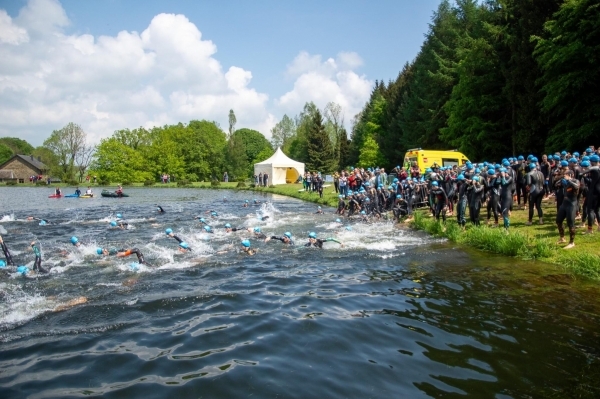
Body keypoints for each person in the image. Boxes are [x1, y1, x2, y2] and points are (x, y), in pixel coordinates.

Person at [555, 169, 580, 249]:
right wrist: (559, 181)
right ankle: (562, 238)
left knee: (570, 224)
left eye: (566, 174)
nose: (564, 175)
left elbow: (576, 187)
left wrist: (569, 181)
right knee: (558, 221)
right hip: (564, 204)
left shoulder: (576, 181)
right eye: (564, 174)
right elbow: (555, 185)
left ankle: (571, 242)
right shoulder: (564, 182)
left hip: (572, 204)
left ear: (571, 175)